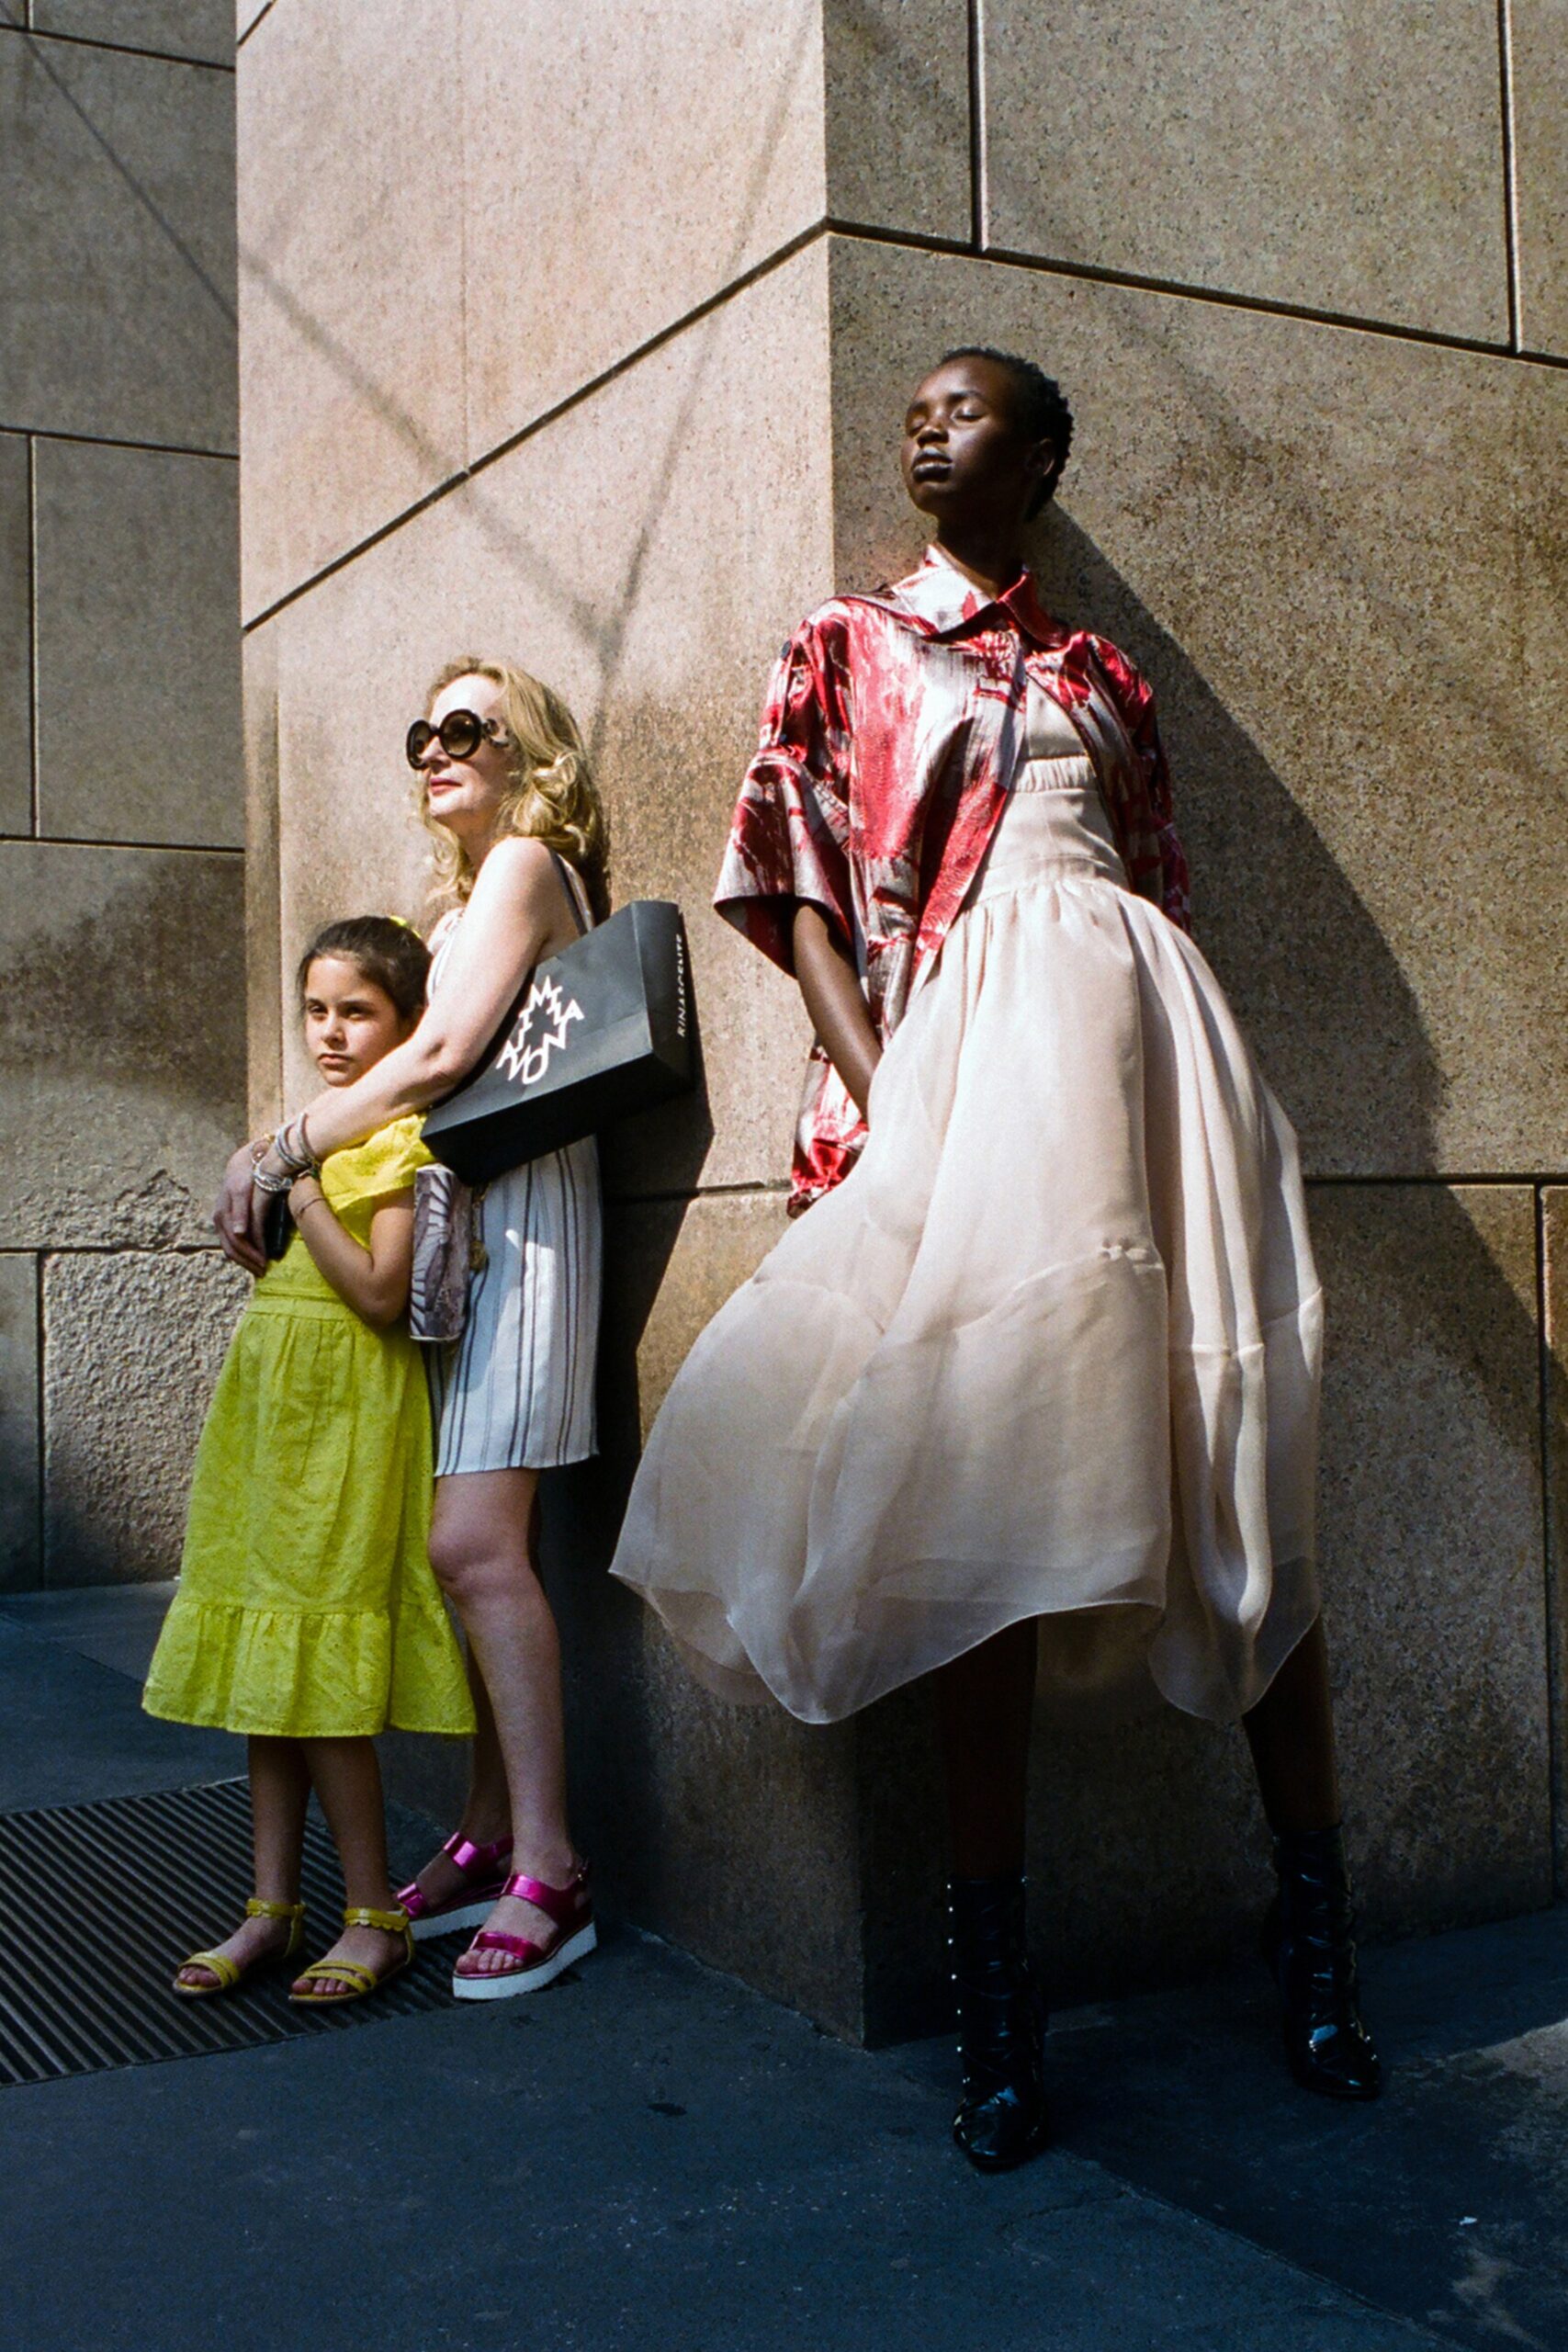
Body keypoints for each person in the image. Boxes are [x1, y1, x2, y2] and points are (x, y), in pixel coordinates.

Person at [611, 348, 1381, 2165]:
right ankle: (993, 1994)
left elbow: (1153, 882)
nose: (920, 429)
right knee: (981, 1506)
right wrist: (902, 1106)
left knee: (1230, 1463)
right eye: (910, 411)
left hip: (1135, 1063)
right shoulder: (844, 642)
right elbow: (793, 891)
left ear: (1040, 454)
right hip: (949, 1073)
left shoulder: (1106, 670)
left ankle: (1318, 1931)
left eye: (964, 412)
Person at [214, 660, 605, 2001]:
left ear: (529, 752)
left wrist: (276, 1153)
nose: (434, 750)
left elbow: (436, 1063)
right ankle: (494, 1831)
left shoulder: (525, 866)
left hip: (525, 1234)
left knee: (470, 1547)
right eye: (420, 731)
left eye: (467, 729)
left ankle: (552, 1866)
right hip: (464, 1235)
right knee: (474, 1555)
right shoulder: (464, 889)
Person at [146, 916, 474, 2004]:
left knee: (323, 1684)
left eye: (359, 1012)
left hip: (346, 1422)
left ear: (409, 1023)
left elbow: (381, 1292)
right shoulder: (319, 1132)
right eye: (318, 1010)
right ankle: (270, 1907)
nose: (331, 1033)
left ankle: (373, 1912)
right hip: (272, 1421)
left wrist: (295, 1192)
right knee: (264, 1678)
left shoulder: (389, 1140)